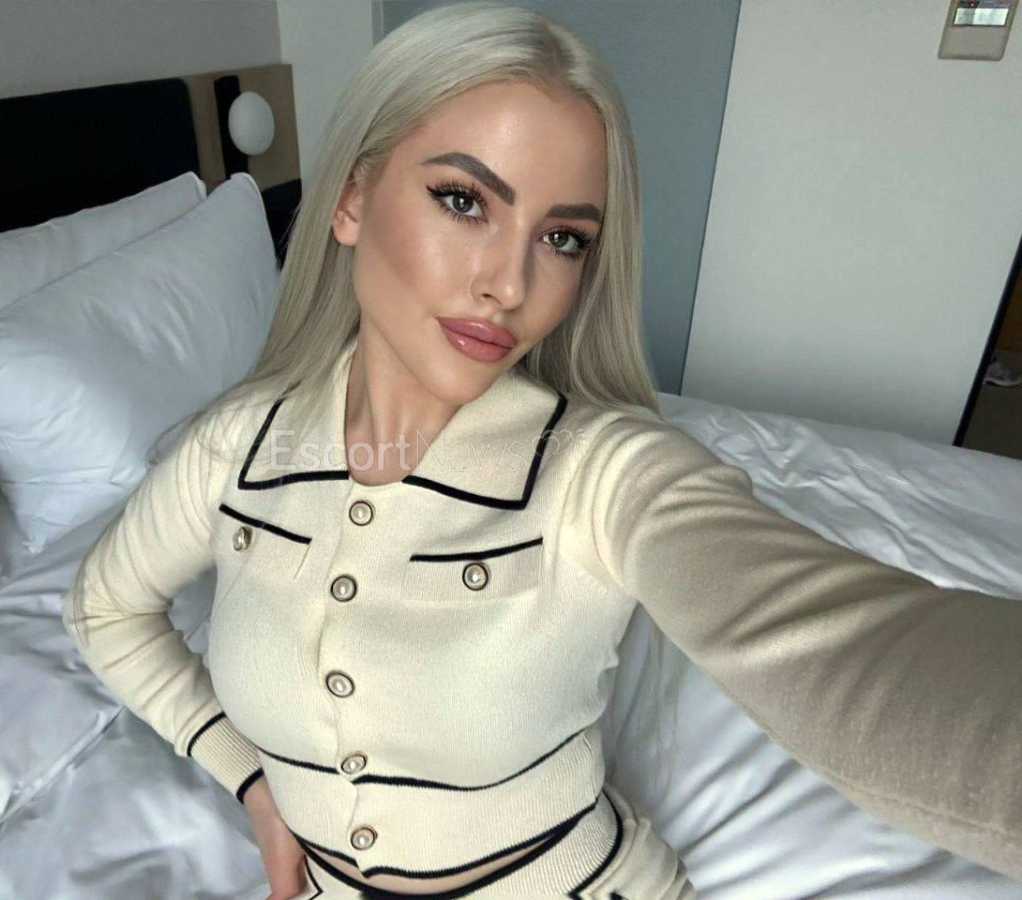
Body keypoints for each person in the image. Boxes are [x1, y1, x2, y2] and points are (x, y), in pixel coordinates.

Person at [61, 3, 1022, 898]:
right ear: (351, 199)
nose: (511, 284)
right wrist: (252, 784)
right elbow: (103, 609)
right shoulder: (234, 449)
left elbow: (849, 656)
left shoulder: (605, 470)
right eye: (464, 201)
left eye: (562, 238)